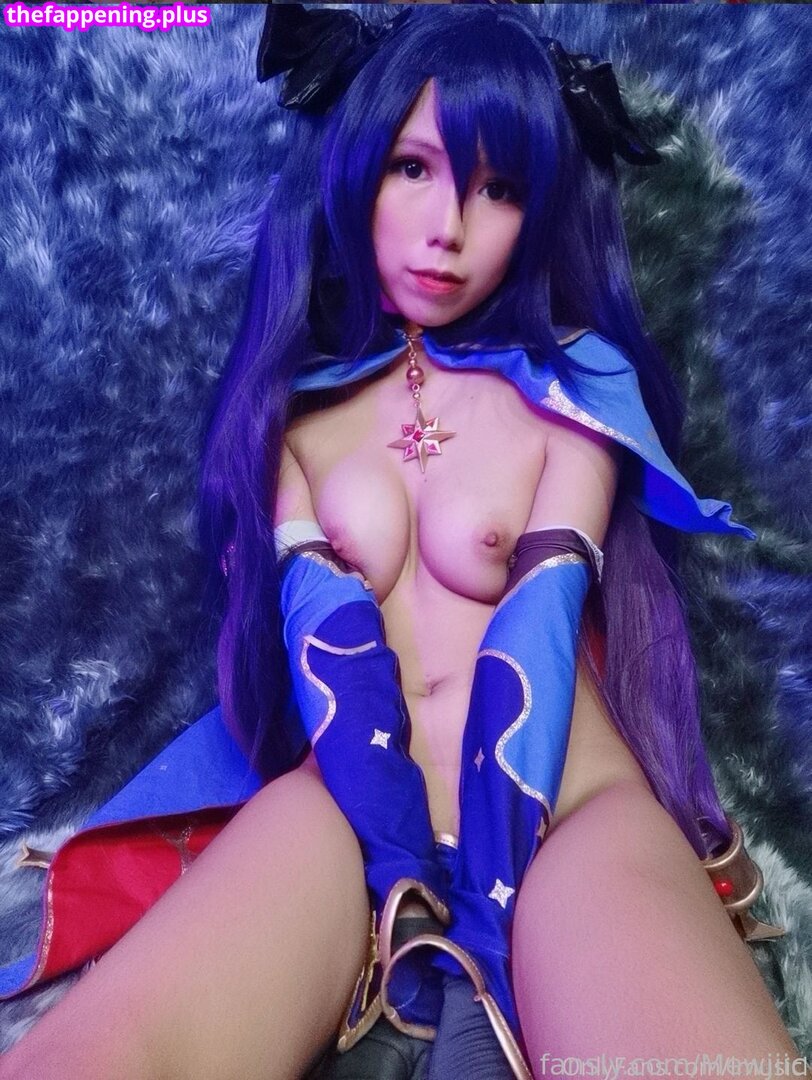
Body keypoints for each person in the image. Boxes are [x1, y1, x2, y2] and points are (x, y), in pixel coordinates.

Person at [0, 6, 803, 1079]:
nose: (447, 228)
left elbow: (538, 632)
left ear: (537, 210)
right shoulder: (292, 419)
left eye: (498, 188)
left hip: (564, 804)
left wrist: (486, 915)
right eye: (412, 167)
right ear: (356, 166)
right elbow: (325, 648)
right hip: (344, 802)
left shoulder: (576, 395)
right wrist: (395, 874)